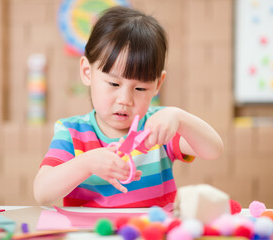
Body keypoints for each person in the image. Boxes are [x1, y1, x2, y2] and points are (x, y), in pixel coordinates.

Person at [34, 6, 223, 208]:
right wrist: (87, 163)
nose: (125, 99)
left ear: (158, 84)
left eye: (140, 88)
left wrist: (179, 117)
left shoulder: (158, 126)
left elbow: (213, 150)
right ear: (87, 72)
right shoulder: (72, 132)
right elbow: (42, 192)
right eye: (114, 84)